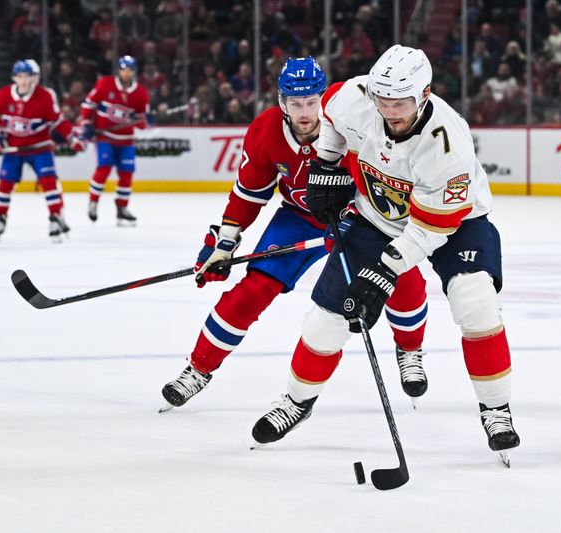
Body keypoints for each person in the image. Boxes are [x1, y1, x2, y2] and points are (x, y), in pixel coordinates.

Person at [251, 45, 520, 465]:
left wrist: (384, 271)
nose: (389, 111)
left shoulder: (448, 146)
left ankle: (495, 409)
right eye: (383, 101)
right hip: (376, 216)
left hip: (455, 223)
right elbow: (334, 126)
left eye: (400, 103)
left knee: (476, 303)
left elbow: (432, 228)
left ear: (424, 95)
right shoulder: (353, 98)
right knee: (327, 318)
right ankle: (296, 401)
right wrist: (326, 161)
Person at [160, 57, 431, 411]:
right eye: (295, 103)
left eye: (312, 102)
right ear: (281, 102)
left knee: (402, 278)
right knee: (252, 291)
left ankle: (410, 350)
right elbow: (248, 193)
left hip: (361, 218)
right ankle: (198, 368)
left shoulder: (352, 119)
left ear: (324, 98)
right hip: (299, 219)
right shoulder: (265, 131)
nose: (305, 112)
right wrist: (225, 242)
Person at [0, 59, 85, 242]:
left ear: (35, 78)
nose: (24, 80)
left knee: (49, 182)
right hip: (13, 148)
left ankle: (56, 216)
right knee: (5, 184)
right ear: (14, 77)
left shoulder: (45, 96)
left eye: (29, 76)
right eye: (20, 76)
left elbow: (58, 121)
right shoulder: (3, 95)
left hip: (40, 147)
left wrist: (72, 137)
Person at [80, 55, 150, 225]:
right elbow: (88, 105)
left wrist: (140, 120)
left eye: (130, 70)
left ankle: (122, 208)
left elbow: (142, 123)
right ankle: (93, 202)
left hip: (126, 140)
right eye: (124, 69)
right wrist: (86, 123)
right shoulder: (105, 84)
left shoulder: (141, 93)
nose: (126, 73)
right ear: (119, 70)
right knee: (103, 169)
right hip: (105, 137)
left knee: (127, 173)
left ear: (134, 72)